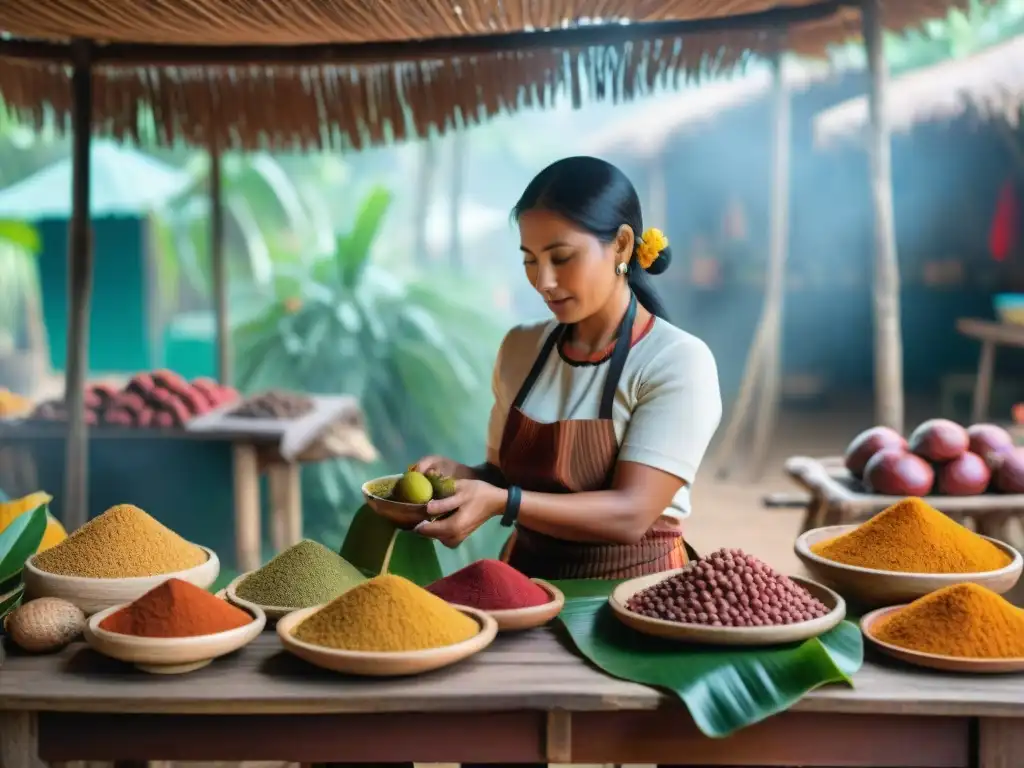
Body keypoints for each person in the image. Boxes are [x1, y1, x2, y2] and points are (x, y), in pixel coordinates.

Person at [413, 155, 722, 580]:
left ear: (622, 245)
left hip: (634, 599)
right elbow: (502, 477)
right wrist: (462, 477)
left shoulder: (677, 362)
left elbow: (630, 514)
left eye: (561, 258)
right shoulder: (520, 348)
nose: (543, 282)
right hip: (527, 585)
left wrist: (504, 502)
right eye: (529, 260)